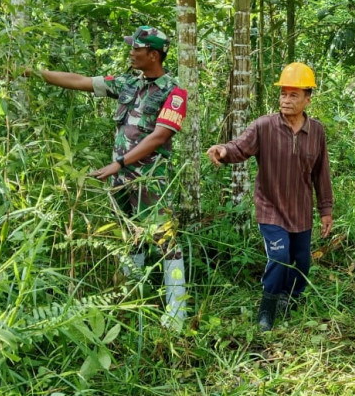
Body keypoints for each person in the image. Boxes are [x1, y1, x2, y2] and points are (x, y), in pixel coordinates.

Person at [28, 25, 189, 330]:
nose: (131, 52)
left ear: (153, 54)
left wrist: (119, 163)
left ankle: (177, 310)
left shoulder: (174, 92)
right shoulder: (128, 82)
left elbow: (159, 136)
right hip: (121, 179)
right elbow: (80, 81)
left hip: (149, 179)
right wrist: (35, 73)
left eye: (136, 49)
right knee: (130, 237)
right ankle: (129, 299)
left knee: (166, 239)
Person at [206, 62, 334, 332]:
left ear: (307, 99)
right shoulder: (264, 126)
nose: (286, 100)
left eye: (293, 95)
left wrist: (325, 210)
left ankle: (291, 299)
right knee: (279, 256)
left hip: (300, 209)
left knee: (302, 261)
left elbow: (321, 173)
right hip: (270, 206)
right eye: (283, 94)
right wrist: (222, 150)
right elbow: (239, 147)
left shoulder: (317, 132)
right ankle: (267, 310)